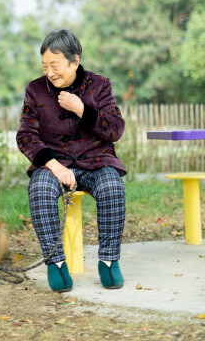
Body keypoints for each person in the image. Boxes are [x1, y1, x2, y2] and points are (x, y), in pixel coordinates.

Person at [16, 29, 126, 292]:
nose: (50, 72)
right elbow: (26, 136)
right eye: (45, 66)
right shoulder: (35, 90)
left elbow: (115, 129)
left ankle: (109, 261)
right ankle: (55, 264)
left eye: (55, 65)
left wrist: (81, 109)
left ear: (74, 61)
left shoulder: (100, 85)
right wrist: (54, 166)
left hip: (96, 161)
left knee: (112, 187)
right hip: (54, 163)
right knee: (40, 189)